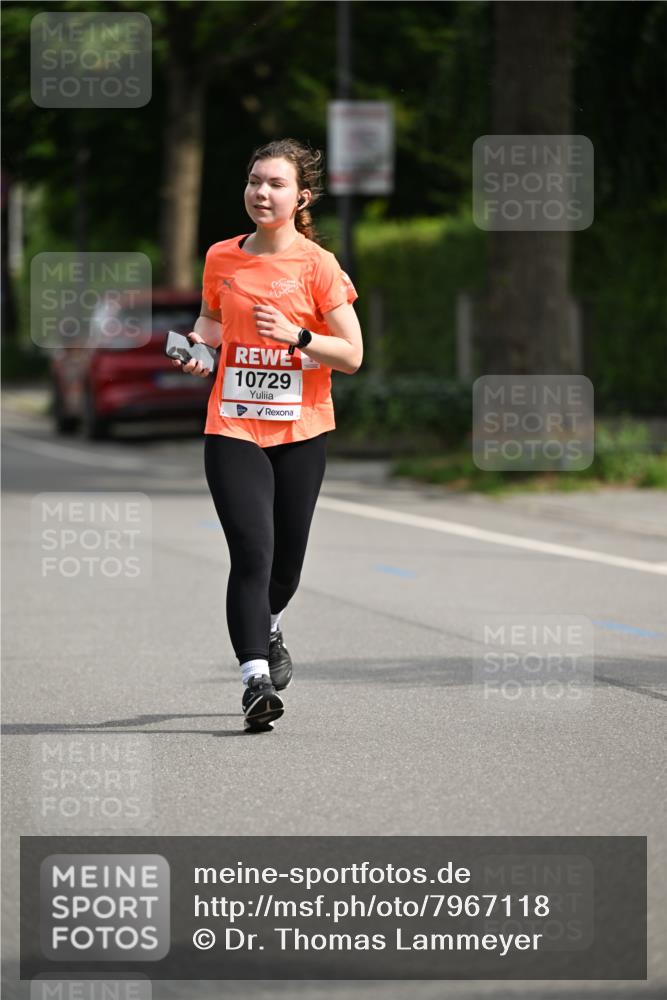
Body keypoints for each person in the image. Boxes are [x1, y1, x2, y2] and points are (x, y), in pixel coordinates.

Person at [172, 138, 363, 732]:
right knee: (251, 552)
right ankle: (255, 678)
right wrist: (198, 349)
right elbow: (209, 321)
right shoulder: (221, 258)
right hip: (231, 423)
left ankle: (270, 624)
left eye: (276, 184)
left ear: (300, 197)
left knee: (286, 567)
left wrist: (297, 336)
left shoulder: (318, 266)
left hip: (301, 429)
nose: (261, 192)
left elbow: (352, 354)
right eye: (255, 180)